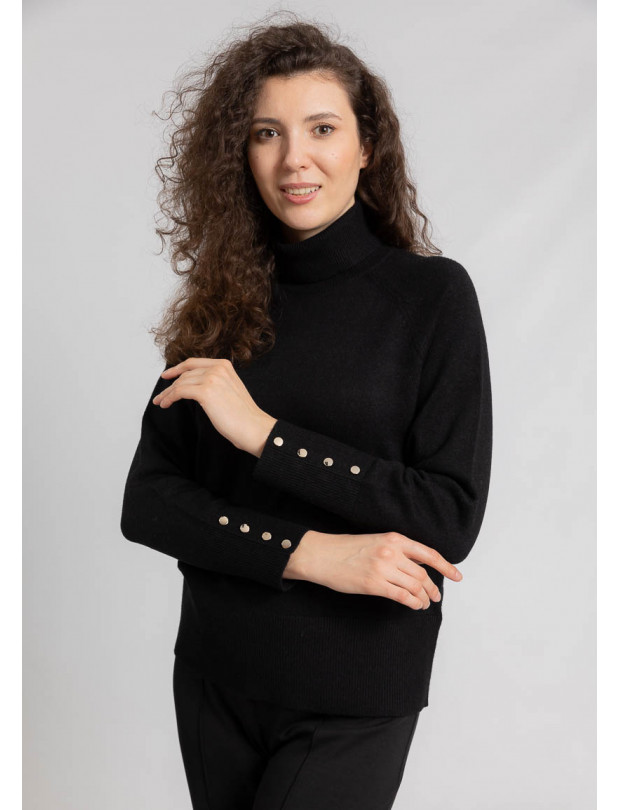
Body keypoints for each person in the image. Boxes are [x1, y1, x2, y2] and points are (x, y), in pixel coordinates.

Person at [120, 11, 493, 810]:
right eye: (267, 133)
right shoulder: (220, 306)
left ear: (367, 146)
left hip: (356, 688)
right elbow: (148, 502)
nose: (295, 158)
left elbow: (448, 515)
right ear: (240, 153)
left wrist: (263, 435)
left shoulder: (431, 298)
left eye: (322, 128)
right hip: (217, 675)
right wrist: (308, 553)